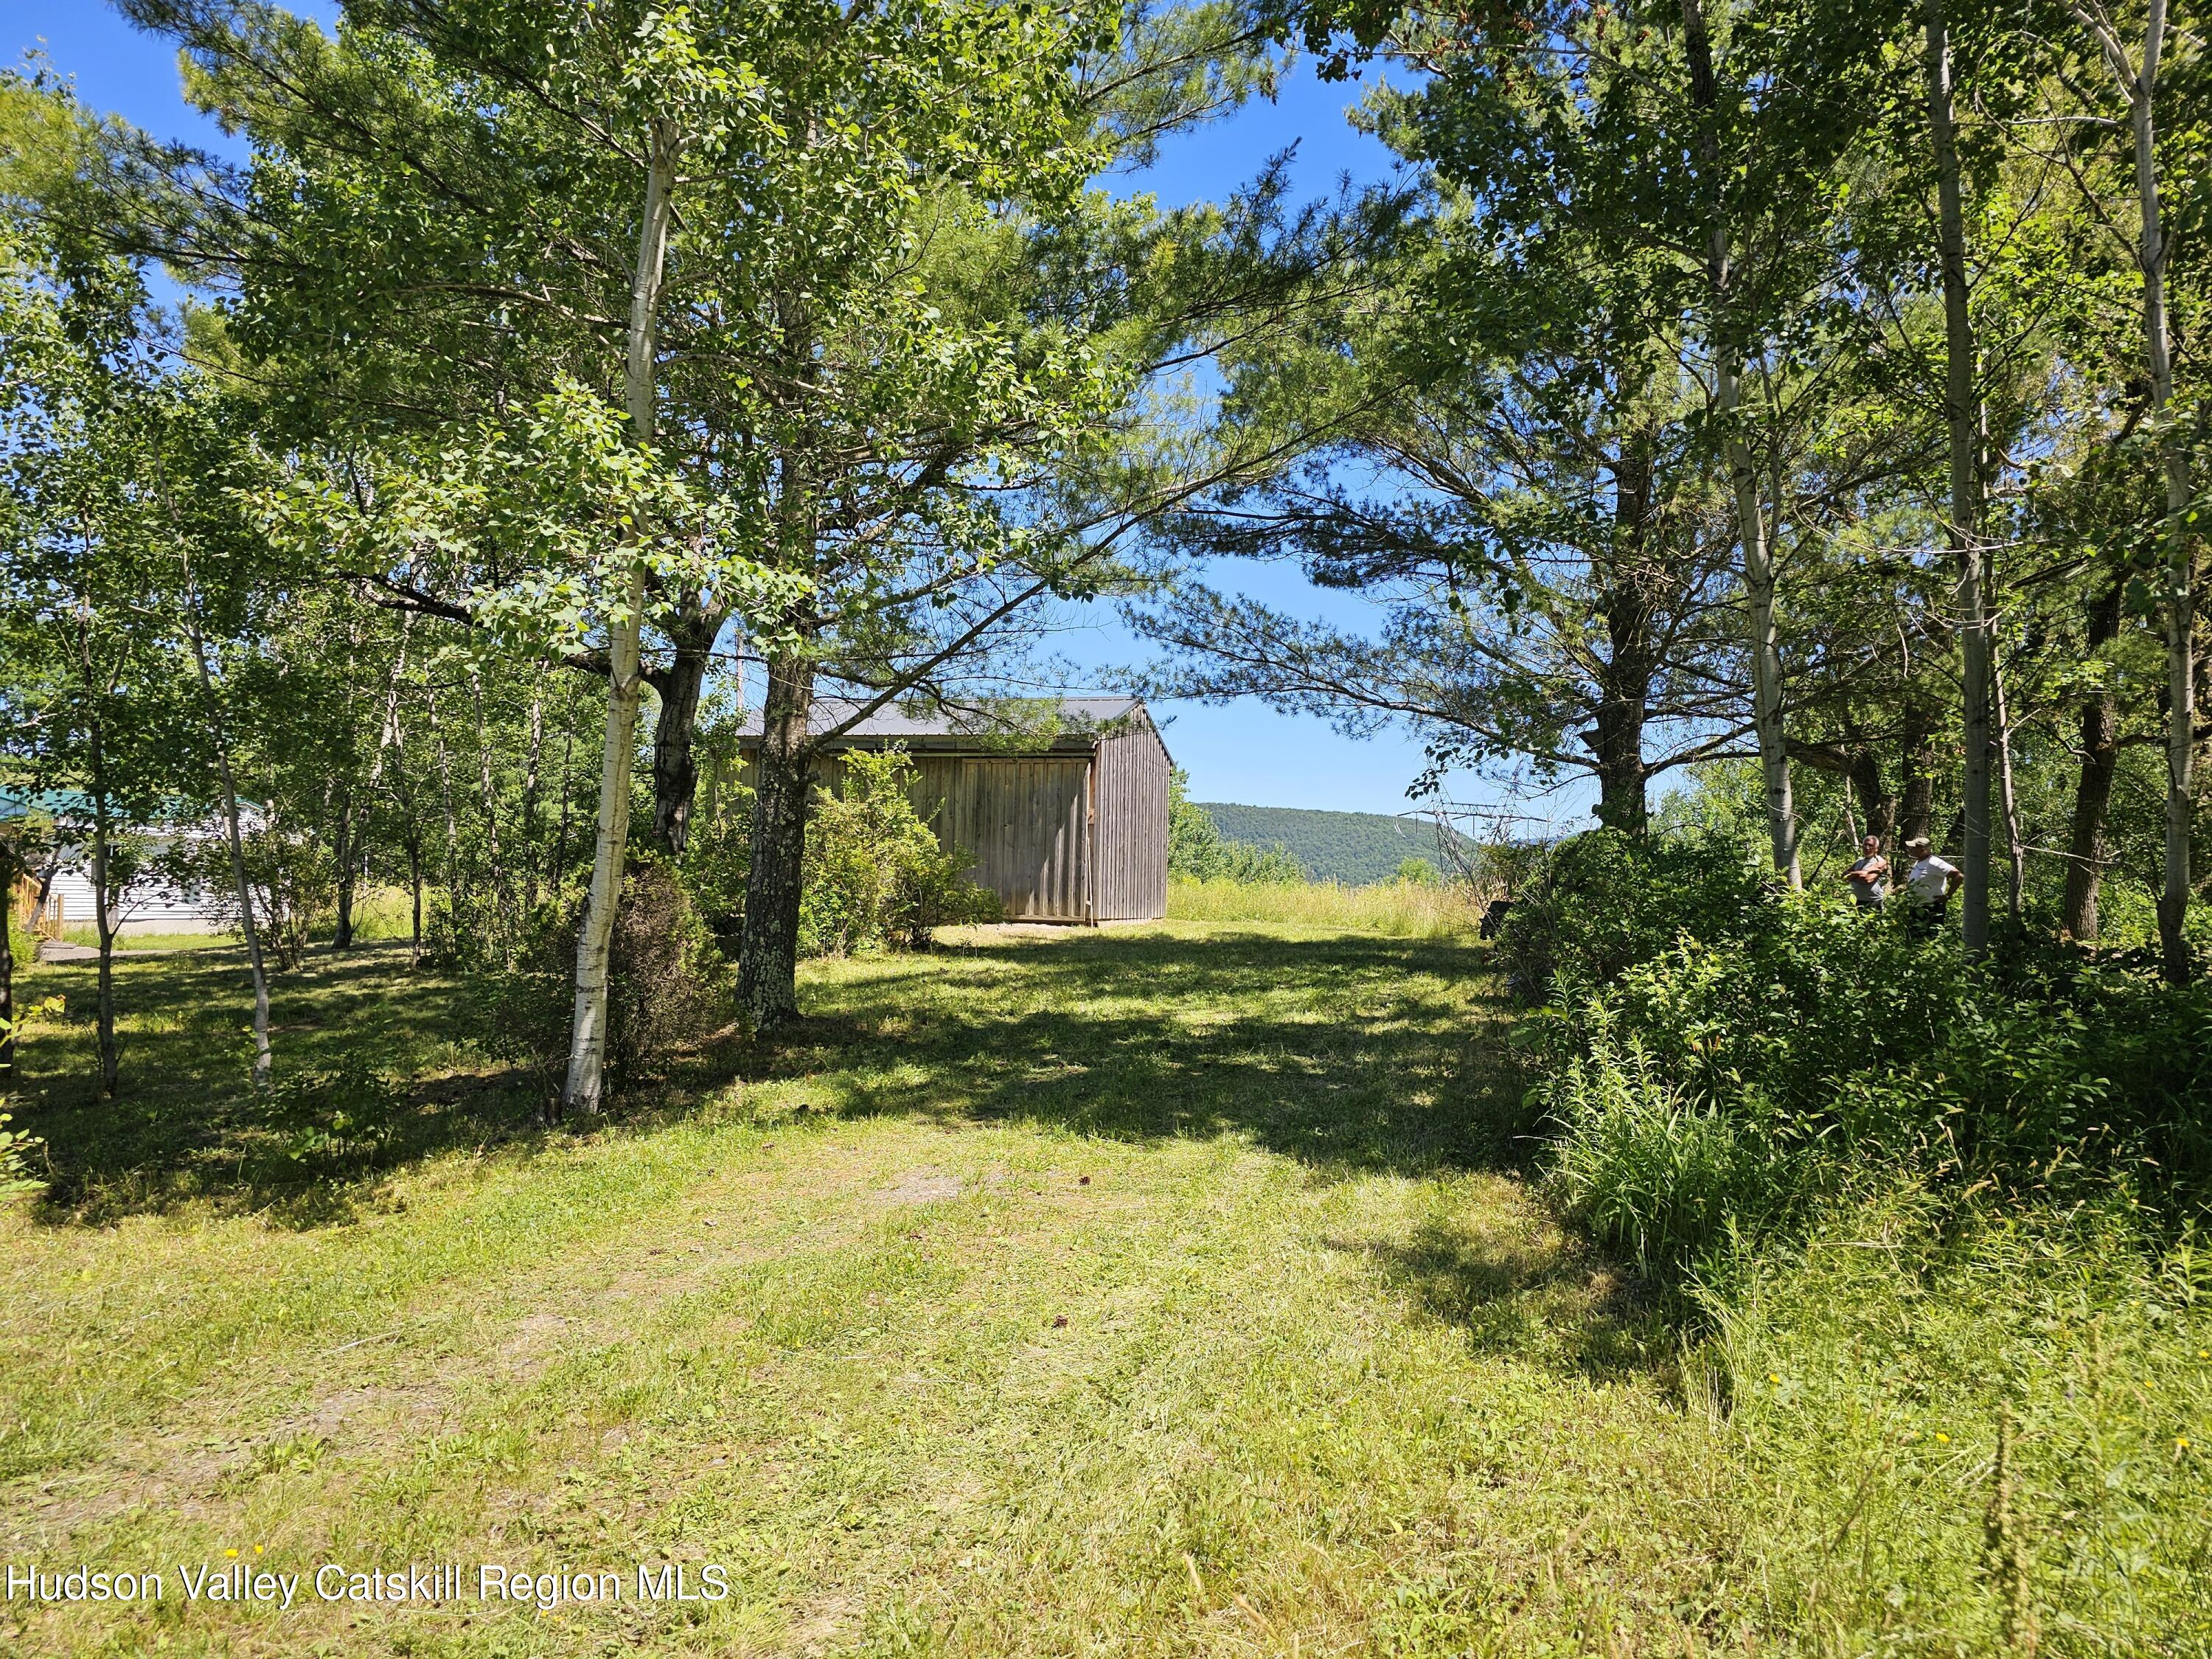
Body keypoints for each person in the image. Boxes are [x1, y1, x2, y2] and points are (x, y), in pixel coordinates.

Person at [1902, 835, 1961, 932]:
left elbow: (1958, 876)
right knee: (1915, 938)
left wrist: (1947, 896)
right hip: (1917, 907)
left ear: (1922, 849)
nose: (1911, 849)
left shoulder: (1935, 863)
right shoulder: (1919, 862)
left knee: (1930, 937)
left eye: (1914, 847)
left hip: (1931, 909)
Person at [1841, 834, 1890, 911]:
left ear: (1877, 848)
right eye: (1865, 845)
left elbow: (1867, 879)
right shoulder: (1859, 861)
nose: (1867, 848)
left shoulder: (1880, 862)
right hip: (1856, 902)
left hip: (1873, 902)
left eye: (1870, 845)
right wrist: (1860, 874)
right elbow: (1844, 876)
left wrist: (1852, 876)